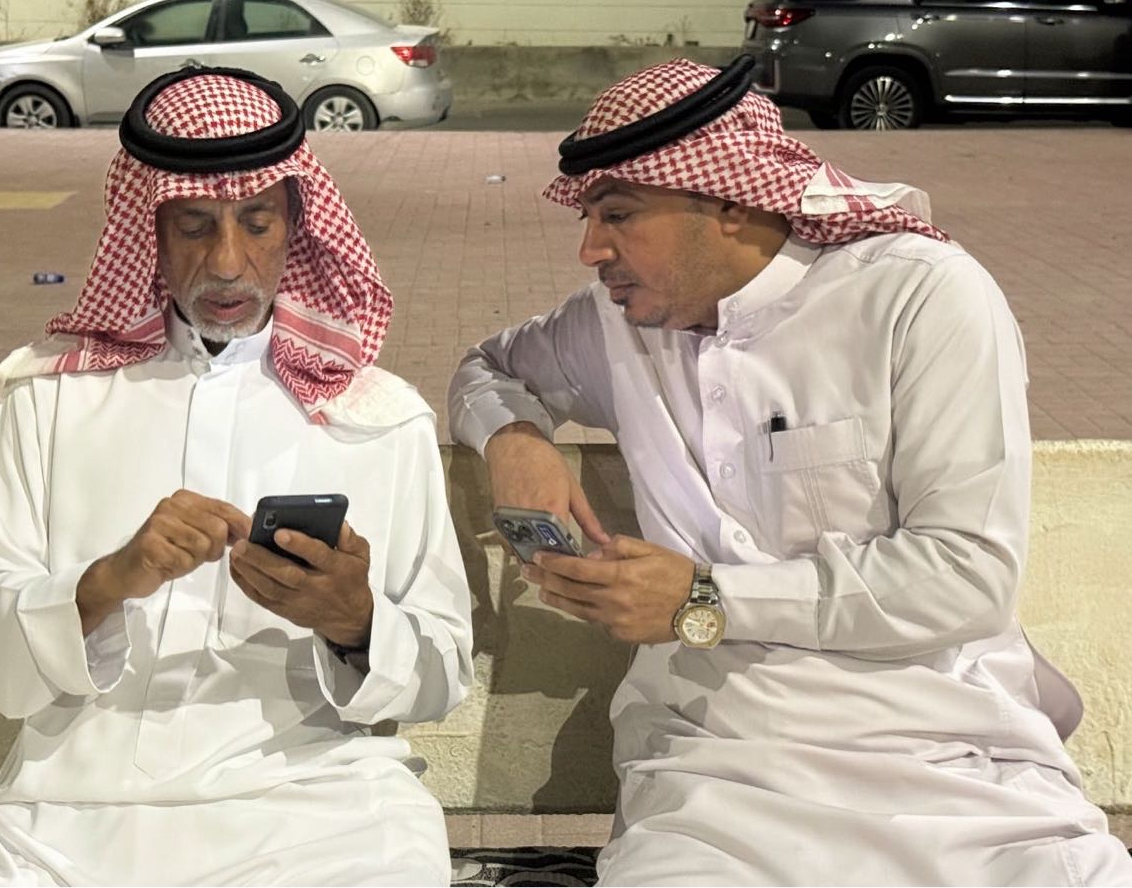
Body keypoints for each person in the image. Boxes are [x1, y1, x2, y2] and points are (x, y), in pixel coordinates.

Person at [448, 57, 1132, 886]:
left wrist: (704, 598)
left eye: (618, 214)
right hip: (716, 768)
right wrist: (515, 437)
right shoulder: (616, 326)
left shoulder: (918, 297)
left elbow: (967, 574)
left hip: (948, 756)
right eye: (590, 216)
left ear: (728, 201)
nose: (591, 249)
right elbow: (487, 368)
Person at [0, 67, 472, 886]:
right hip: (69, 811)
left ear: (297, 224)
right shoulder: (49, 399)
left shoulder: (379, 417)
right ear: (148, 232)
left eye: (257, 223)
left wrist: (357, 622)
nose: (227, 262)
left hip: (321, 807)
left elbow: (443, 670)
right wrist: (105, 583)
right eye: (194, 226)